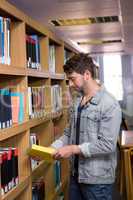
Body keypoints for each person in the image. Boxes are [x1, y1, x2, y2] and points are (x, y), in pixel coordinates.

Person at [51, 53, 122, 200]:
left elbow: (107, 145)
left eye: (72, 79)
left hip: (97, 181)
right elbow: (68, 133)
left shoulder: (109, 104)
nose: (70, 84)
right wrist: (53, 147)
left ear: (87, 74)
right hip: (76, 175)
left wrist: (72, 149)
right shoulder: (77, 100)